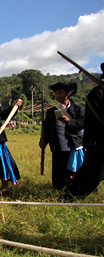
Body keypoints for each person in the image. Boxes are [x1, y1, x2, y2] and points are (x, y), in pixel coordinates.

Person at [63, 63, 104, 199]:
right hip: (99, 144)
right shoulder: (96, 94)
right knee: (89, 177)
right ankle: (69, 199)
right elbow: (92, 122)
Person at [40, 82, 85, 190]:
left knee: (75, 172)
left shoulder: (78, 108)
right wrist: (43, 141)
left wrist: (69, 121)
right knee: (59, 173)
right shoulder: (51, 111)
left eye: (60, 92)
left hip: (74, 145)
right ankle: (59, 189)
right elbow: (46, 128)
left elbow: (83, 123)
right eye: (56, 93)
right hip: (58, 146)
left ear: (68, 93)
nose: (57, 95)